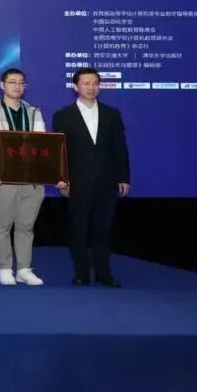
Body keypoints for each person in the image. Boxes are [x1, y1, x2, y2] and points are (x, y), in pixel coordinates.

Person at [51, 67, 130, 288]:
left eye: (95, 83)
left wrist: (123, 177)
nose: (91, 87)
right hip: (77, 182)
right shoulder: (62, 116)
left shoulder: (112, 114)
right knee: (78, 229)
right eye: (86, 83)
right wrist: (61, 179)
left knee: (103, 229)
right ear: (75, 87)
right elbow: (59, 151)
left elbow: (120, 148)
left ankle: (104, 274)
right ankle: (82, 274)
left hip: (106, 182)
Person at [0, 68, 47, 286]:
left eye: (21, 82)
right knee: (2, 225)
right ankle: (5, 268)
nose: (17, 86)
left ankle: (24, 269)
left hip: (31, 179)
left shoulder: (34, 113)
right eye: (12, 82)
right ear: (2, 85)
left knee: (26, 226)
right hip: (3, 179)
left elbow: (44, 146)